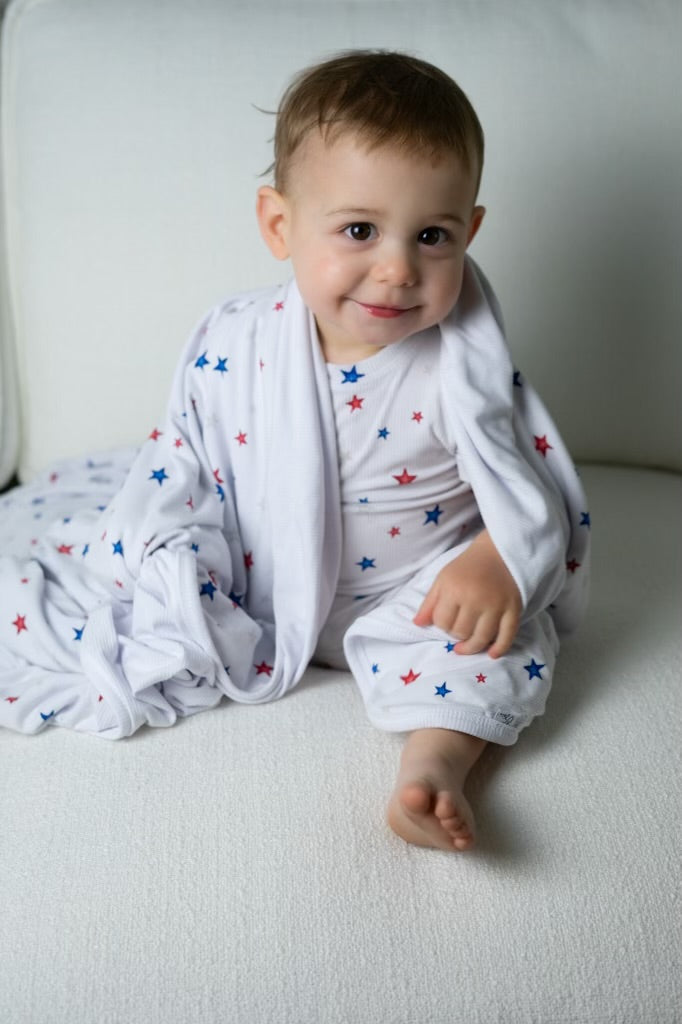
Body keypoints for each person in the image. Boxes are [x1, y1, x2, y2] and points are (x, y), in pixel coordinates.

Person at [0, 51, 589, 853]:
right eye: (358, 230)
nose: (396, 269)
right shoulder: (235, 340)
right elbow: (187, 459)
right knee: (138, 577)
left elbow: (529, 486)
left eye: (431, 236)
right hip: (258, 580)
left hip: (414, 598)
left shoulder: (463, 369)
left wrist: (498, 558)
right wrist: (173, 551)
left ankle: (435, 767)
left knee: (499, 647)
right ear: (279, 224)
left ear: (470, 231)